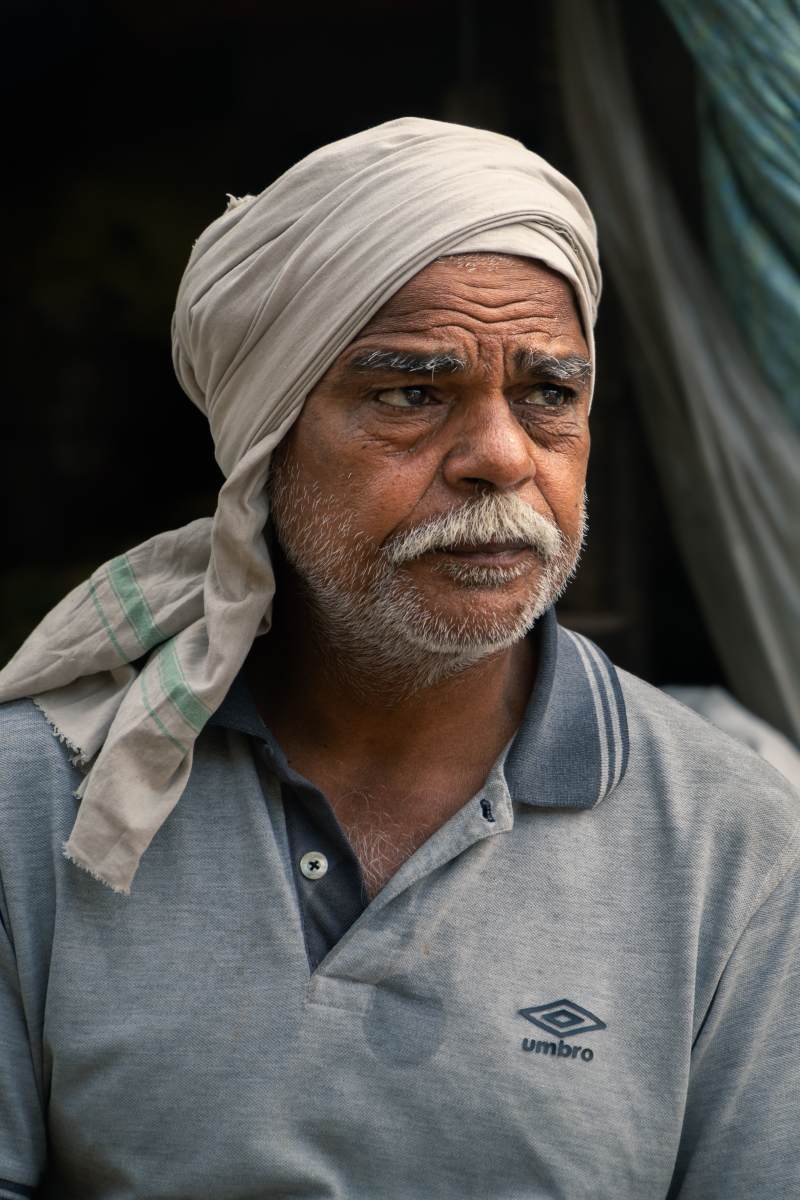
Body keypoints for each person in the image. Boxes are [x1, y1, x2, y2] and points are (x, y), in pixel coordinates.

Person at [0, 118, 797, 1199]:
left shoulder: (734, 843)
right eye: (411, 394)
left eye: (548, 395)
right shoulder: (35, 800)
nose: (501, 459)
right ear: (261, 448)